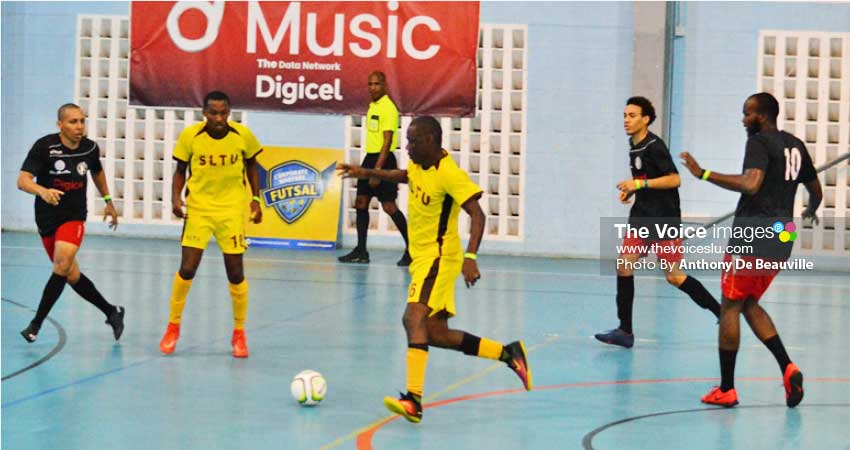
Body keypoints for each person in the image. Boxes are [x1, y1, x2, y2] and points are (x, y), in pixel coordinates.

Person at [337, 116, 531, 423]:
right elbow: (405, 175)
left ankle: (413, 400)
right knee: (435, 334)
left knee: (411, 318)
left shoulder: (449, 174)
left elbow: (478, 214)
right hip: (423, 257)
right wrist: (366, 171)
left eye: (413, 141)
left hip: (439, 257)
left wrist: (471, 257)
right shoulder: (418, 164)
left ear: (430, 141)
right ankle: (508, 353)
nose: (407, 146)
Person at [680, 92, 822, 408]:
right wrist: (810, 211)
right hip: (781, 236)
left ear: (763, 115)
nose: (743, 119)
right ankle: (788, 366)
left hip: (752, 235)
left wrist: (703, 173)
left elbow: (750, 183)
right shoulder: (796, 145)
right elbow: (816, 190)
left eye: (747, 113)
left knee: (730, 306)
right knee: (748, 303)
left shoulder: (758, 142)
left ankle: (727, 389)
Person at [595, 96, 721, 349]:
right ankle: (625, 331)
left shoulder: (655, 146)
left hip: (663, 218)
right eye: (624, 116)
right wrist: (632, 191)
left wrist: (639, 184)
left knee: (674, 277)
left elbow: (674, 179)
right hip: (642, 216)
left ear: (646, 119)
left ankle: (721, 311)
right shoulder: (634, 145)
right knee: (624, 265)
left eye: (632, 116)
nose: (626, 120)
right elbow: (645, 178)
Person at [158, 91, 263, 358]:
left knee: (236, 274)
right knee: (187, 268)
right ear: (204, 113)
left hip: (230, 211)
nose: (218, 118)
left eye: (223, 112)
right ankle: (173, 326)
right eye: (213, 113)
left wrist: (255, 199)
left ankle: (239, 333)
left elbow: (253, 165)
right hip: (200, 210)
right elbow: (180, 171)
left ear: (229, 112)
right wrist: (175, 198)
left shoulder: (242, 136)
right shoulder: (190, 136)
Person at [17, 103, 124, 343]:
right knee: (70, 274)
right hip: (46, 219)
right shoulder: (45, 147)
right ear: (60, 125)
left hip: (74, 216)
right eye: (73, 122)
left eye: (82, 121)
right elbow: (22, 181)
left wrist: (108, 200)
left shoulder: (90, 148)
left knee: (62, 264)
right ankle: (112, 311)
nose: (79, 127)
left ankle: (35, 325)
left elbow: (96, 171)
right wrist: (42, 191)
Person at [338, 71, 411, 266]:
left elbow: (387, 141)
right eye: (370, 84)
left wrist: (377, 170)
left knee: (388, 206)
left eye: (377, 84)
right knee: (361, 202)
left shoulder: (388, 108)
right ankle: (361, 250)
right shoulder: (372, 107)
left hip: (383, 160)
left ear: (385, 85)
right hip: (369, 158)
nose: (372, 88)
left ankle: (412, 249)